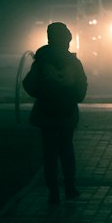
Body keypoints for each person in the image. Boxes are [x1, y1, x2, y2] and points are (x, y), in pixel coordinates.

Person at [23, 22, 88, 204]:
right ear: (67, 40)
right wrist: (73, 97)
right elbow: (82, 86)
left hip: (46, 112)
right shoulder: (74, 62)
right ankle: (70, 187)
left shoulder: (42, 61)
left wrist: (43, 94)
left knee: (49, 153)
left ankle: (53, 191)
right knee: (67, 149)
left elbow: (29, 84)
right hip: (67, 113)